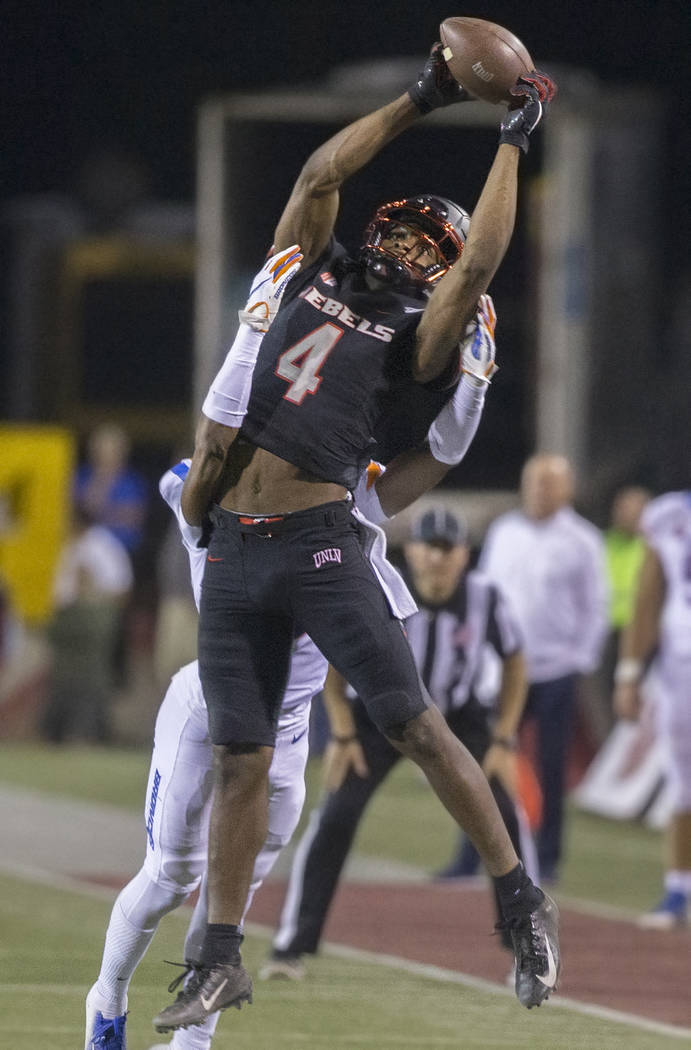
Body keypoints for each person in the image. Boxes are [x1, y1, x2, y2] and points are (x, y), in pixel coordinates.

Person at [153, 49, 559, 1032]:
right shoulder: (307, 270)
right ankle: (218, 955)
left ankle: (518, 897)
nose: (418, 254)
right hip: (234, 544)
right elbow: (319, 178)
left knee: (412, 724)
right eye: (412, 236)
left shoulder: (422, 331)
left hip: (321, 537)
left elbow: (478, 270)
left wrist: (510, 140)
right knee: (242, 757)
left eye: (434, 247)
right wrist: (420, 96)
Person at [85, 252, 498, 1050]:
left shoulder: (344, 505)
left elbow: (435, 458)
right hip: (211, 704)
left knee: (224, 909)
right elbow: (204, 453)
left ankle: (189, 1045)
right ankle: (107, 1001)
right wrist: (253, 338)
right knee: (170, 875)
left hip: (286, 734)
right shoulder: (210, 487)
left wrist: (473, 384)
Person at [261, 504, 535, 980]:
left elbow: (515, 661)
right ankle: (292, 944)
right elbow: (332, 654)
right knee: (336, 816)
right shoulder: (380, 587)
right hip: (382, 715)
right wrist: (343, 731)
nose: (438, 559)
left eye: (449, 550)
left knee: (507, 819)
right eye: (430, 548)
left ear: (464, 557)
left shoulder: (485, 597)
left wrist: (504, 738)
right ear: (412, 550)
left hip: (459, 716)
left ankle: (526, 950)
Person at [480, 453, 609, 882]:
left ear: (567, 490)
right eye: (534, 482)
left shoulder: (583, 540)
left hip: (554, 668)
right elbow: (485, 596)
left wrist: (579, 659)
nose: (539, 490)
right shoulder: (505, 532)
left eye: (549, 483)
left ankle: (548, 856)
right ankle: (480, 852)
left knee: (551, 766)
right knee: (487, 762)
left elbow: (597, 606)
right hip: (504, 669)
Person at [613, 489, 691, 929]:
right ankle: (678, 888)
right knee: (684, 780)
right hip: (682, 665)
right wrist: (629, 672)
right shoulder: (671, 514)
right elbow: (647, 596)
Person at [41, 506, 133, 743]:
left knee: (91, 677)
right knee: (61, 675)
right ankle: (56, 732)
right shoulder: (63, 545)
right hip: (64, 616)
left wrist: (92, 592)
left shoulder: (102, 545)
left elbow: (121, 590)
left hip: (93, 616)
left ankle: (89, 732)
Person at [595, 485, 651, 738]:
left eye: (633, 510)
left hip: (644, 634)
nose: (626, 515)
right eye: (621, 509)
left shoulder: (654, 549)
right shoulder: (602, 544)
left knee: (646, 694)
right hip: (608, 633)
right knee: (607, 697)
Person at [74, 422, 149, 555]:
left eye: (111, 449)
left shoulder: (131, 482)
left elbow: (132, 518)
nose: (106, 454)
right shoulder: (82, 476)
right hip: (82, 546)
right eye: (101, 449)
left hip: (119, 546)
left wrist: (96, 512)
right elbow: (73, 513)